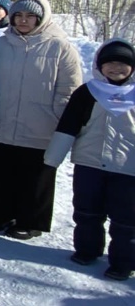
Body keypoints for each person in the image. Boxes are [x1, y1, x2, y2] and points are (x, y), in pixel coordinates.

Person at [0, 0, 81, 240]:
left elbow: (69, 89)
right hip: (1, 120)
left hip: (40, 123)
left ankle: (30, 220)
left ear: (41, 18)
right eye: (19, 16)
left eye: (30, 16)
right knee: (0, 173)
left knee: (35, 178)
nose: (23, 21)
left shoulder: (60, 47)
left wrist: (58, 118)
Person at [45, 39, 135, 281]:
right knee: (87, 211)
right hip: (89, 163)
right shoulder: (88, 92)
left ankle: (123, 261)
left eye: (122, 64)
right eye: (110, 64)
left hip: (129, 169)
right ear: (100, 66)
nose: (115, 69)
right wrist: (52, 159)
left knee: (126, 219)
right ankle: (87, 250)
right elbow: (68, 126)